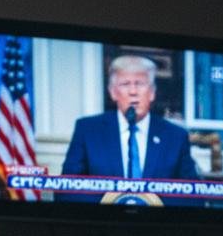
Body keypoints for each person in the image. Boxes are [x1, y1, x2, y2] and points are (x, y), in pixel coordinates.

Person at [62, 55, 198, 181]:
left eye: (140, 84)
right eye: (125, 84)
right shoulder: (87, 130)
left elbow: (193, 196)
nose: (133, 92)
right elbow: (67, 189)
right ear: (113, 92)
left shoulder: (175, 136)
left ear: (152, 93)